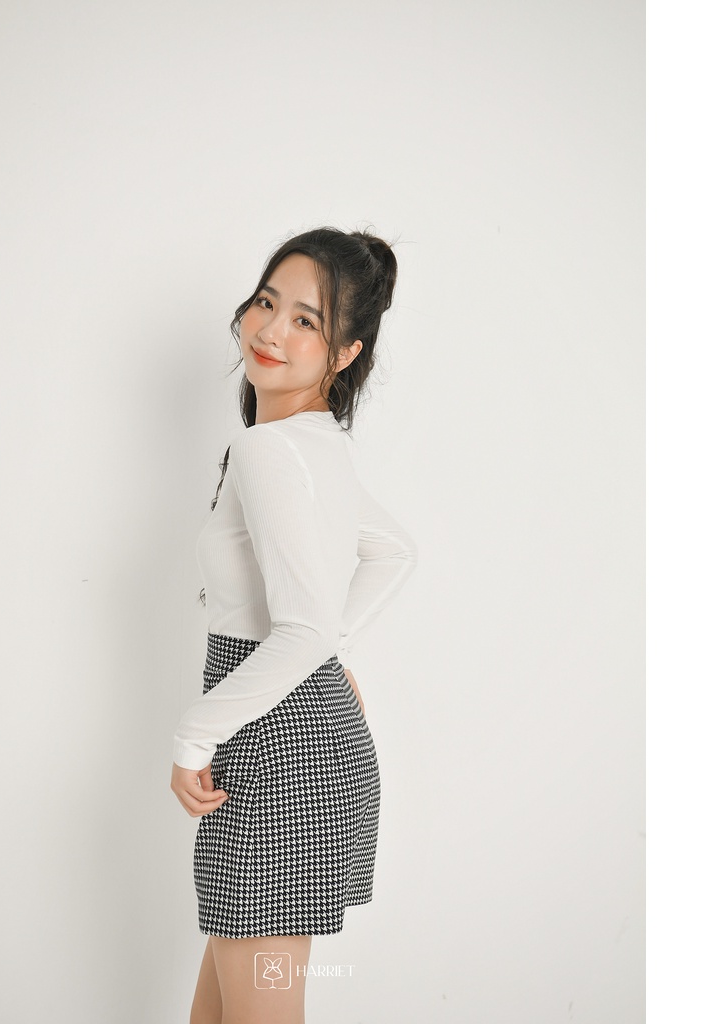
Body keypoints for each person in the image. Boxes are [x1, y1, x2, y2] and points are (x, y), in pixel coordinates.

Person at [170, 226, 418, 1024]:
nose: (271, 330)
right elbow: (394, 553)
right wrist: (328, 652)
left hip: (279, 759)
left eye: (306, 320)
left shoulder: (273, 451)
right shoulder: (312, 444)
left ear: (344, 353)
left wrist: (193, 736)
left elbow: (305, 630)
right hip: (297, 745)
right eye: (266, 302)